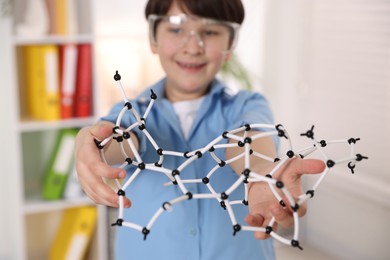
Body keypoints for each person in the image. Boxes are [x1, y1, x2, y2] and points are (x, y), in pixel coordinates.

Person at [75, 0, 325, 259]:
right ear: (153, 38)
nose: (193, 47)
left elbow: (248, 138)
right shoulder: (131, 112)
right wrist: (94, 146)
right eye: (175, 29)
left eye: (211, 32)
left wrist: (261, 171)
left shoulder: (247, 106)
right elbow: (122, 139)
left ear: (230, 45)